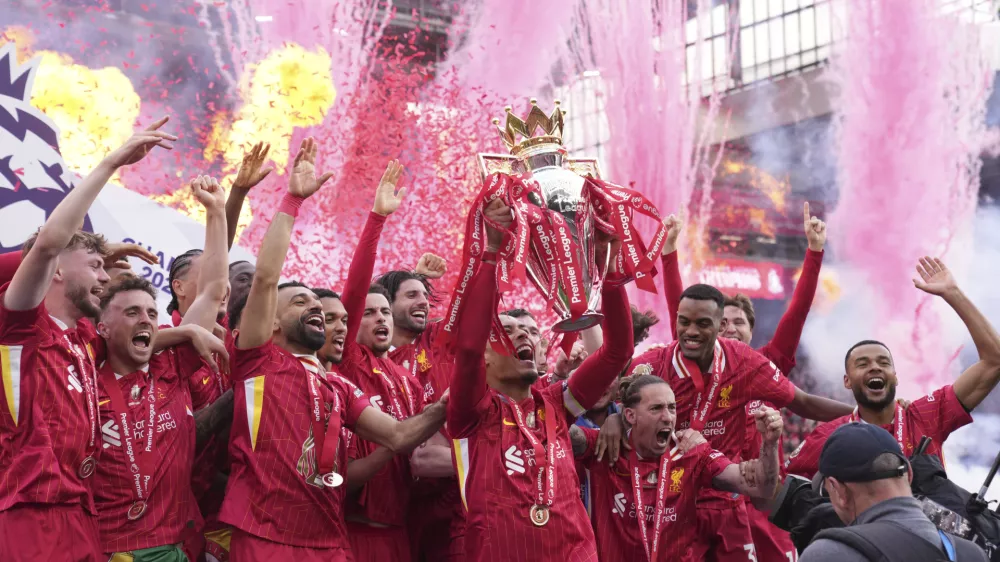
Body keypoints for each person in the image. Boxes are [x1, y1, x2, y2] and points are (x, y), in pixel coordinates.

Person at [222, 139, 447, 562]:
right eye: (300, 302)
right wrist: (292, 199)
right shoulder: (258, 360)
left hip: (329, 541)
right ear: (270, 321)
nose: (316, 309)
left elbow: (397, 436)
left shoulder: (337, 387)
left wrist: (445, 406)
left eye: (316, 304)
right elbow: (268, 277)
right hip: (266, 536)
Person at [0, 118, 176, 562]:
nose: (106, 276)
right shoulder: (22, 326)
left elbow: (138, 334)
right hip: (27, 513)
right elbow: (47, 244)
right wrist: (113, 162)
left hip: (81, 514)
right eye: (96, 266)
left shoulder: (83, 337)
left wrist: (188, 331)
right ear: (56, 270)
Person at [603, 283, 852, 562]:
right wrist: (613, 417)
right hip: (673, 501)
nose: (691, 332)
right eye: (684, 322)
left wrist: (861, 413)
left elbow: (802, 402)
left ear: (720, 325)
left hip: (727, 499)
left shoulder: (743, 360)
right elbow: (614, 398)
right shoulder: (652, 365)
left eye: (702, 323)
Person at [447, 199, 635, 562]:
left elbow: (617, 351)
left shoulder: (557, 404)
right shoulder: (471, 411)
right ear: (486, 355)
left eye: (532, 332)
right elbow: (468, 348)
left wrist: (608, 271)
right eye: (509, 332)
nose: (525, 338)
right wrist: (490, 256)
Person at [657, 203, 827, 562]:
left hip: (766, 506)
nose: (729, 329)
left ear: (752, 331)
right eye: (722, 324)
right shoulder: (692, 366)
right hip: (705, 501)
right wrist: (669, 254)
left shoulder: (766, 365)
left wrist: (813, 253)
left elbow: (797, 313)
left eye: (739, 322)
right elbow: (680, 310)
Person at [785, 257, 1000, 480]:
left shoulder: (923, 418)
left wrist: (953, 294)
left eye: (884, 362)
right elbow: (782, 494)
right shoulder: (829, 436)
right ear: (847, 381)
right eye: (862, 364)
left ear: (895, 378)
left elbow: (994, 360)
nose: (875, 367)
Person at [337, 160, 439, 562]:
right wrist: (377, 219)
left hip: (401, 534)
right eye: (369, 312)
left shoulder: (407, 380)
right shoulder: (348, 362)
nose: (379, 318)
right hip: (353, 532)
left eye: (384, 312)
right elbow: (356, 288)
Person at [92, 273, 233, 561]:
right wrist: (184, 331)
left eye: (152, 313)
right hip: (114, 547)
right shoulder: (85, 381)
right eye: (132, 312)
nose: (145, 319)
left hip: (179, 542)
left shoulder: (170, 366)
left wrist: (219, 224)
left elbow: (212, 289)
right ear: (102, 328)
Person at [570, 374, 784, 561]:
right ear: (630, 415)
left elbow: (762, 488)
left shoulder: (691, 452)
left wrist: (770, 442)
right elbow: (558, 427)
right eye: (656, 408)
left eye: (671, 408)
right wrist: (559, 378)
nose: (668, 417)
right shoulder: (605, 446)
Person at [799, 423, 987, 562]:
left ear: (838, 491)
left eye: (828, 492)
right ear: (910, 474)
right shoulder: (972, 554)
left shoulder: (829, 554)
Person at [375, 257, 461, 562]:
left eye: (426, 296)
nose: (424, 301)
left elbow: (473, 298)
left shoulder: (438, 339)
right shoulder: (372, 361)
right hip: (399, 504)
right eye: (412, 295)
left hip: (454, 496)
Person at [314, 288, 348, 368]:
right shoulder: (291, 377)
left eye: (344, 321)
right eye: (329, 319)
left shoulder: (343, 380)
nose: (341, 328)